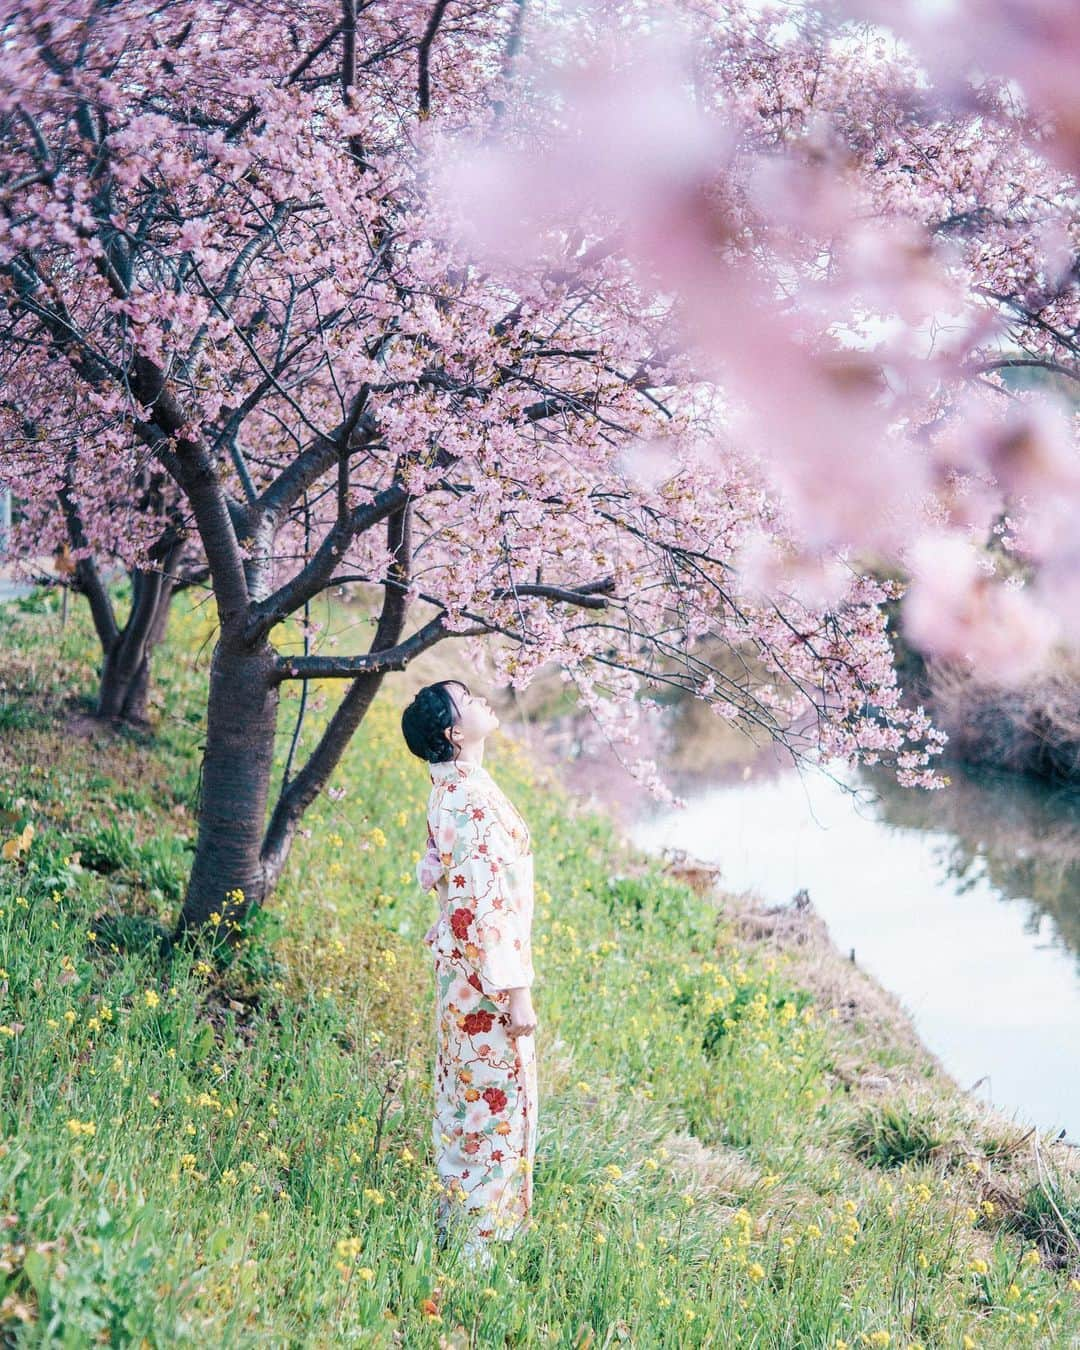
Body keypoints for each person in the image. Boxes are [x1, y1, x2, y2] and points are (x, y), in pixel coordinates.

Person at [401, 680, 539, 1268]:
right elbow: (488, 906)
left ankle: (453, 1230)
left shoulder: (451, 791)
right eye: (468, 700)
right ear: (455, 734)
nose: (483, 700)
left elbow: (437, 872)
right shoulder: (472, 800)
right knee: (495, 1110)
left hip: (459, 976)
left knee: (463, 1105)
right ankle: (477, 1258)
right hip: (486, 983)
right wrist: (518, 994)